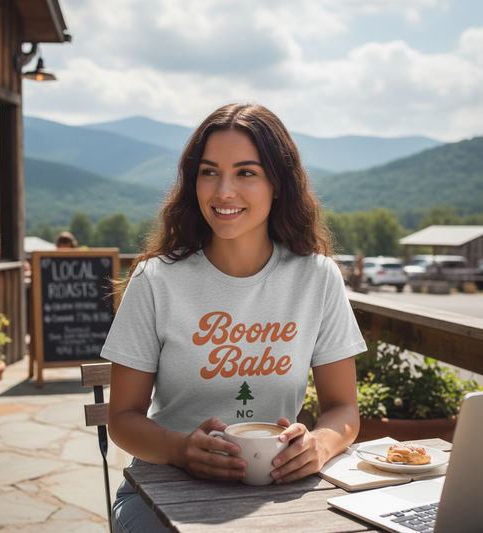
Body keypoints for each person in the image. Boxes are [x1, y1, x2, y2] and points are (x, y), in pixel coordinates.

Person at [101, 103, 367, 533]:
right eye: (209, 172)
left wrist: (320, 443)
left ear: (278, 184)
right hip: (162, 488)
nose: (223, 190)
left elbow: (343, 409)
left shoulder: (317, 278)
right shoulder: (156, 279)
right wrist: (178, 448)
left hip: (277, 489)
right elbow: (123, 418)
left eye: (246, 172)